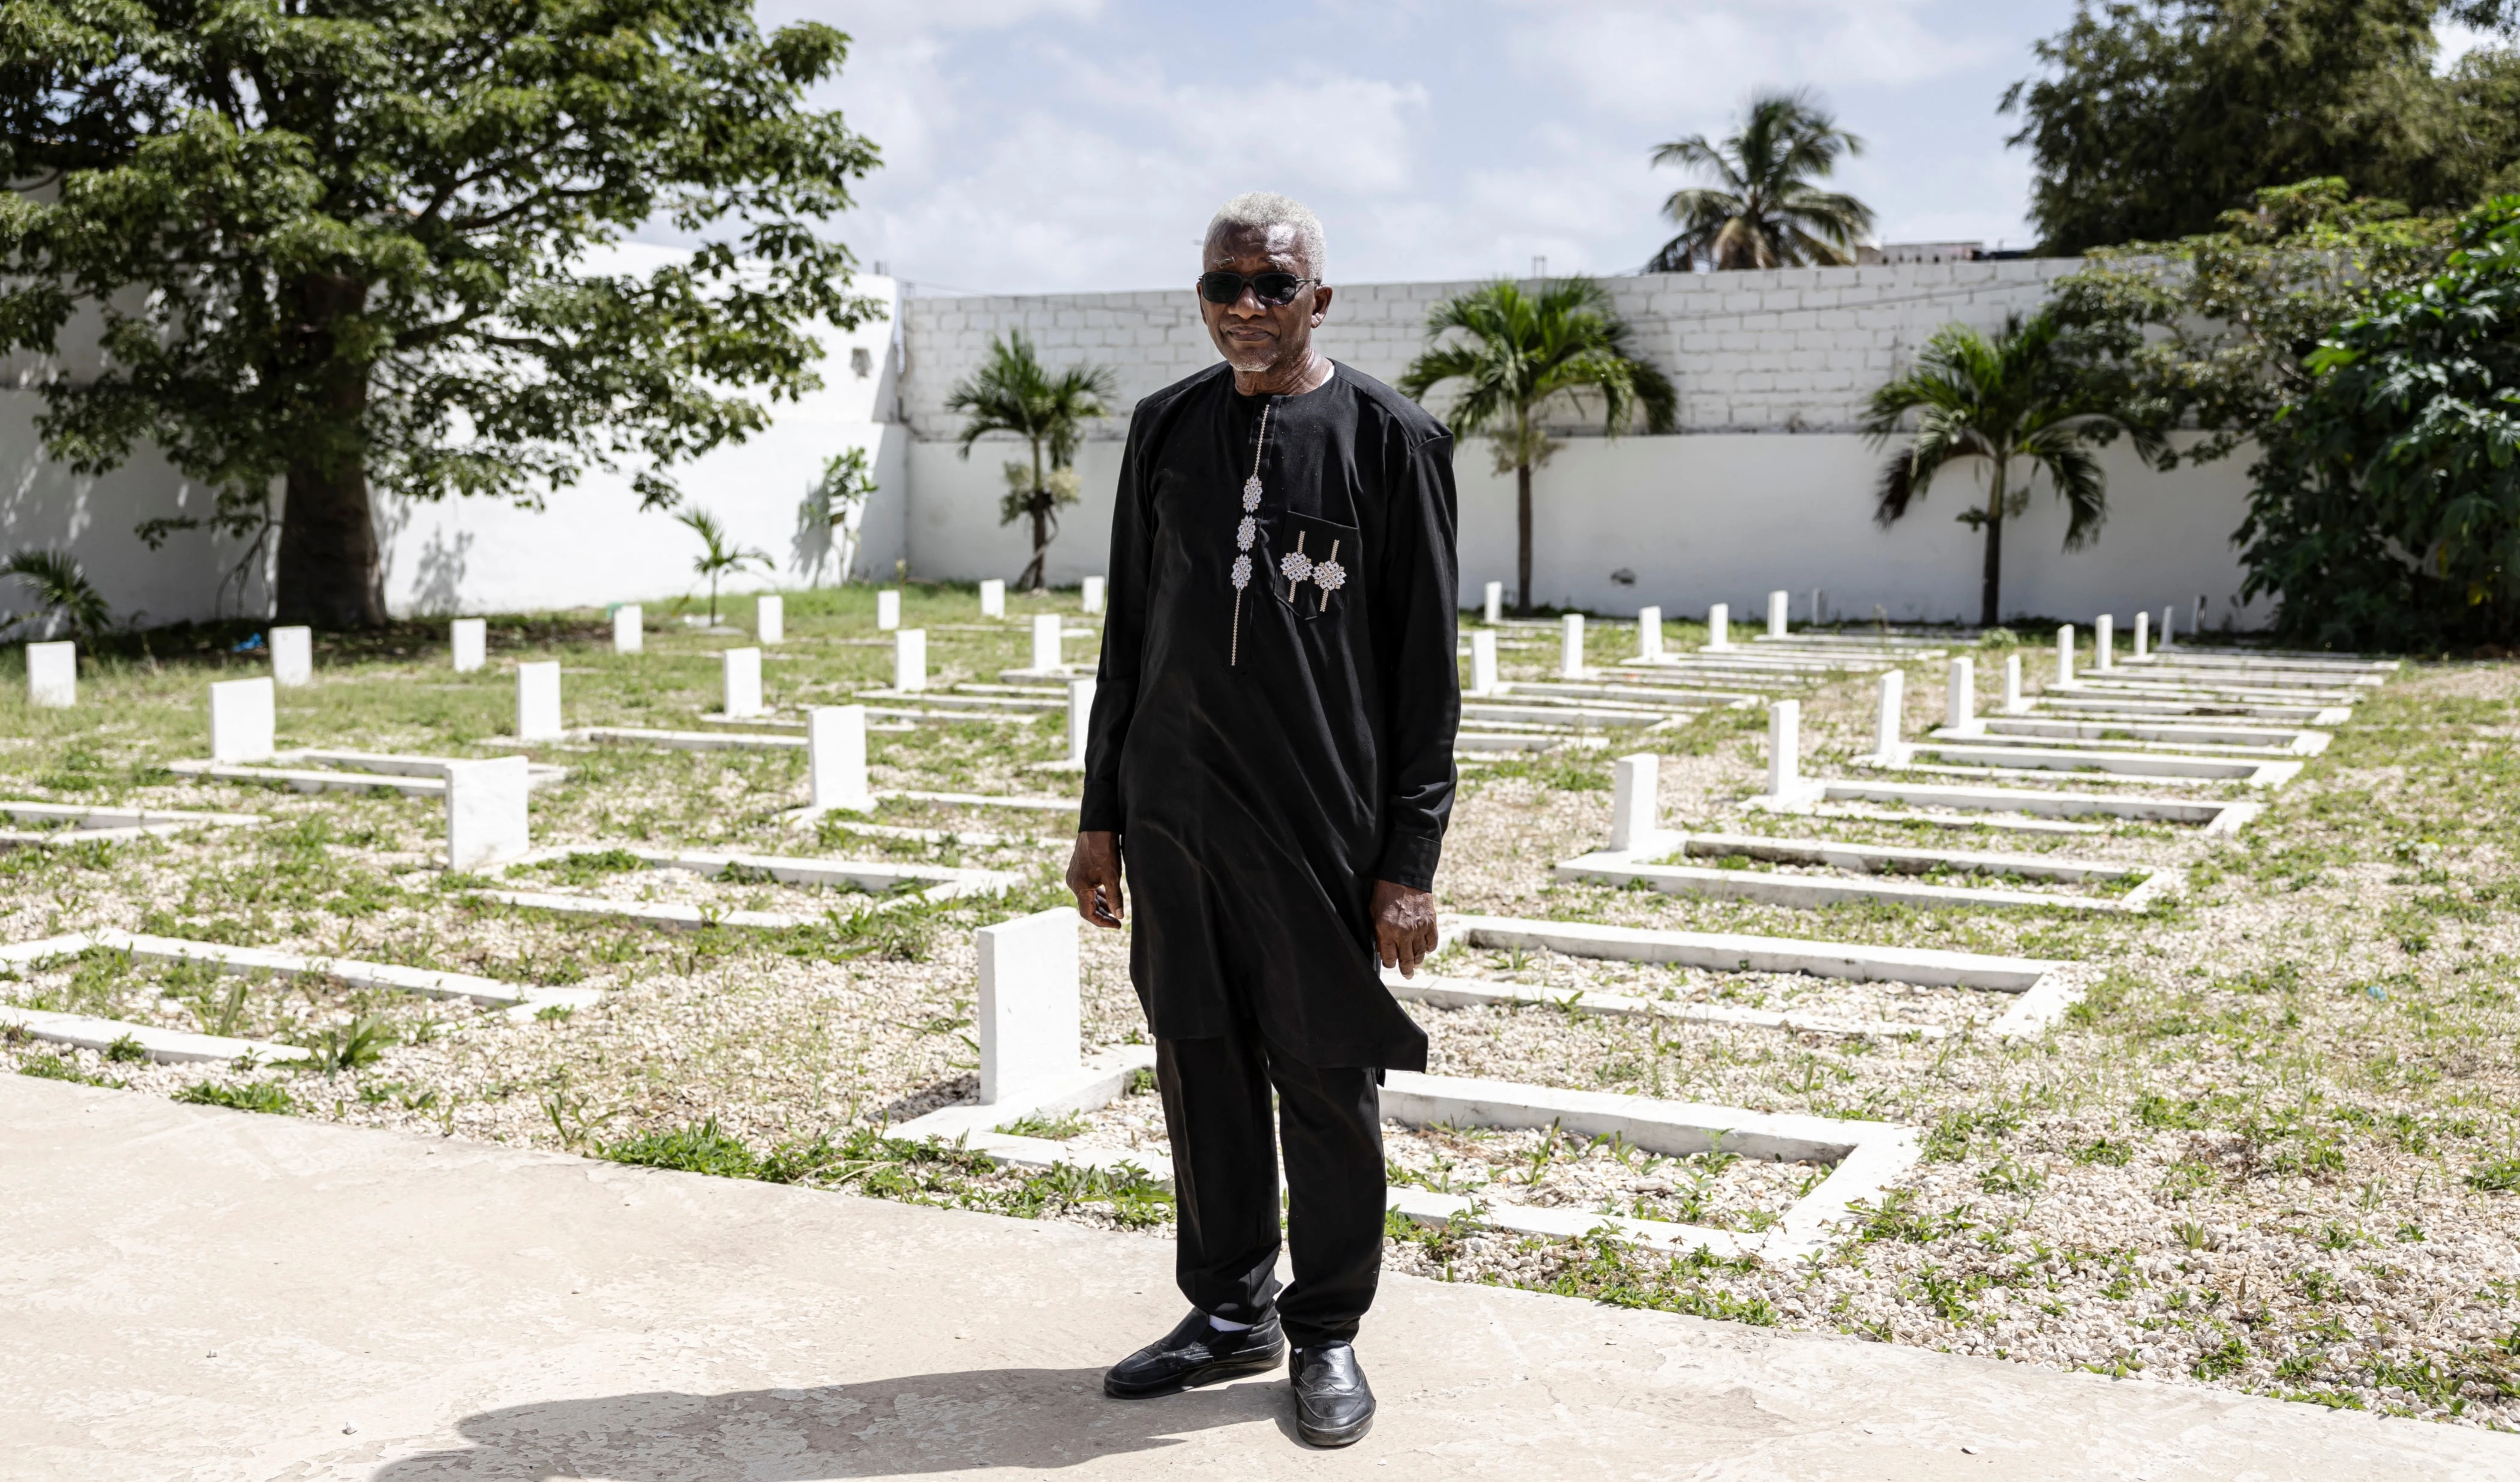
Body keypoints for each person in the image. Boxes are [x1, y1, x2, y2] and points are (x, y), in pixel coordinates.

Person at [1065, 191, 1459, 1450]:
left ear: (1319, 299)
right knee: (1200, 1064)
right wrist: (1101, 814)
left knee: (1324, 1078)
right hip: (1176, 818)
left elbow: (1424, 672)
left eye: (1270, 285)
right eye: (1223, 284)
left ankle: (1327, 1324)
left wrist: (1408, 861)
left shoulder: (1395, 439)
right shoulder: (1164, 428)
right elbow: (1130, 632)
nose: (1244, 306)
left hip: (1319, 828)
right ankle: (1226, 1308)